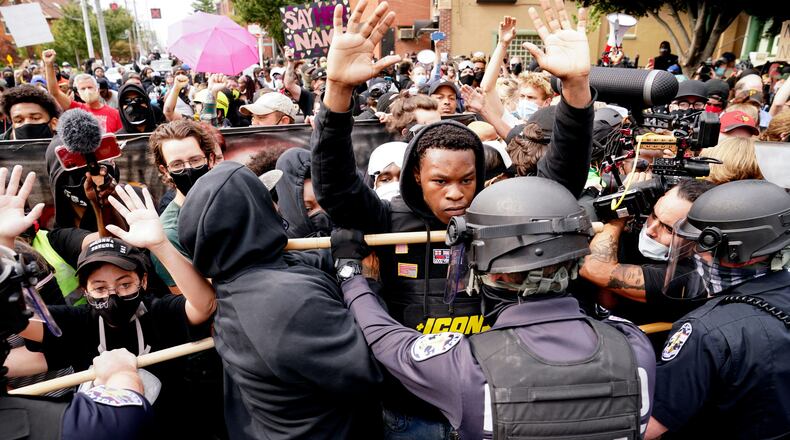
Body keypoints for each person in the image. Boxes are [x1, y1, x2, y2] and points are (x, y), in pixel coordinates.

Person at [313, 0, 595, 435]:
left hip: (488, 397)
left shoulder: (498, 215)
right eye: (440, 180)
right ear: (414, 178)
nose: (456, 193)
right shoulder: (387, 217)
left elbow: (559, 182)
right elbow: (334, 186)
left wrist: (576, 90)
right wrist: (336, 91)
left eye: (467, 180)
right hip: (411, 408)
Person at [332, 176, 656, 439]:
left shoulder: (466, 365)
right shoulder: (633, 344)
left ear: (494, 271)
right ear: (575, 257)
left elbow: (384, 338)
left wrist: (353, 276)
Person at [177, 161, 383, 439]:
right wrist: (361, 277)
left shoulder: (236, 273)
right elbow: (372, 369)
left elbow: (299, 263)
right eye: (266, 199)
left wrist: (343, 248)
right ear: (251, 215)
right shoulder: (286, 301)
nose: (277, 206)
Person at [0, 165, 153, 440]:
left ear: (143, 281)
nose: (113, 293)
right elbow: (121, 420)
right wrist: (120, 374)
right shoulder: (64, 424)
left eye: (125, 284)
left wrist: (3, 242)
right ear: (85, 289)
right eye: (99, 287)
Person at [645, 180, 790, 439]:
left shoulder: (705, 332)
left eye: (702, 246)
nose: (697, 254)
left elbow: (649, 427)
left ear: (734, 252)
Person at [579, 178, 715, 322]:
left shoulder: (689, 277)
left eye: (668, 229)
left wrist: (618, 218)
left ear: (702, 239)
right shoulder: (643, 237)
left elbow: (594, 269)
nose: (650, 230)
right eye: (653, 215)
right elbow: (607, 300)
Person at [146, 119, 220, 287]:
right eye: (177, 164)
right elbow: (190, 300)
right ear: (165, 170)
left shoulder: (229, 202)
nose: (188, 169)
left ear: (210, 159)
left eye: (195, 160)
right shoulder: (169, 232)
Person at [42, 50, 122, 133]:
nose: (87, 91)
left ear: (97, 89)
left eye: (90, 87)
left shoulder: (115, 114)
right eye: (83, 89)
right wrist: (48, 64)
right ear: (78, 93)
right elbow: (54, 92)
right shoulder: (77, 108)